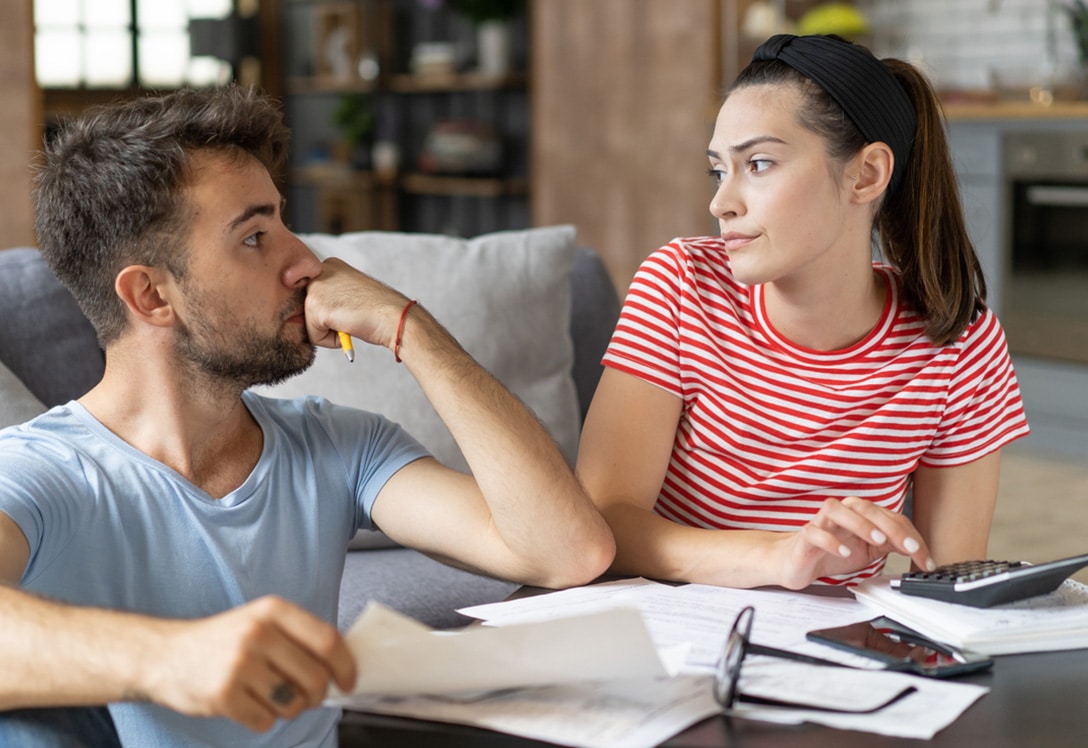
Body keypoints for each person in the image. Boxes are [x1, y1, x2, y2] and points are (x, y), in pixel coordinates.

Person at [0, 85, 614, 747]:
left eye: (283, 223)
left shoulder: (337, 445)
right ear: (151, 295)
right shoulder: (42, 472)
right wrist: (168, 658)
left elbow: (567, 552)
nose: (306, 264)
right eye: (256, 236)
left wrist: (412, 330)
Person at [576, 34, 1030, 592]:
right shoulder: (681, 286)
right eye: (719, 170)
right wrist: (778, 557)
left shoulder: (962, 341)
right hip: (676, 632)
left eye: (759, 164)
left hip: (835, 655)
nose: (722, 203)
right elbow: (603, 525)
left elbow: (946, 580)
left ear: (865, 175)